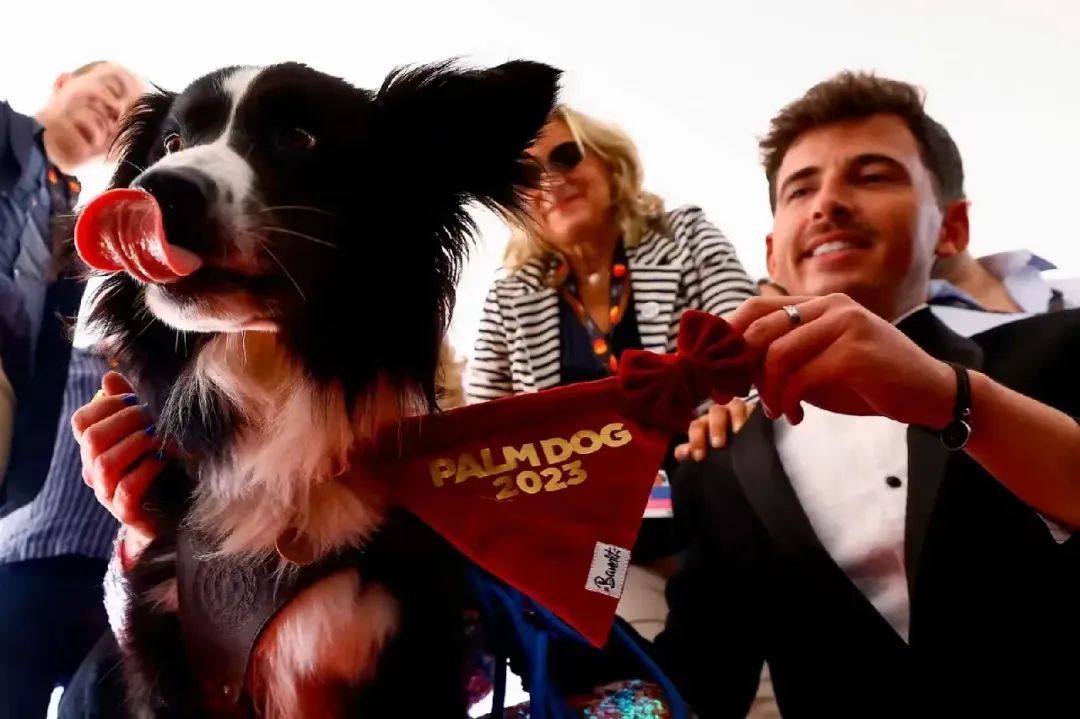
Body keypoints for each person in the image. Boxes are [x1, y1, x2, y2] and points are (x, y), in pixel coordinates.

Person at [653, 71, 1080, 717]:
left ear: (952, 228)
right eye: (800, 189)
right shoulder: (716, 462)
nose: (827, 203)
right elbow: (695, 682)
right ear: (772, 252)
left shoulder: (1065, 351)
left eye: (873, 176)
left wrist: (955, 399)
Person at [466, 104, 756, 639]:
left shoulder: (685, 237)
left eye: (566, 156)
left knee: (738, 661)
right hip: (606, 548)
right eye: (527, 176)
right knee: (628, 658)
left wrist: (733, 404)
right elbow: (483, 430)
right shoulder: (511, 295)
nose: (551, 181)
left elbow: (744, 341)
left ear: (608, 162)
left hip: (718, 514)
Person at [0, 60, 143, 717]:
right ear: (62, 82)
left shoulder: (67, 227)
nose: (111, 110)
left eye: (124, 117)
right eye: (109, 89)